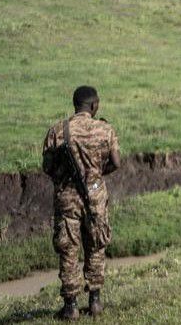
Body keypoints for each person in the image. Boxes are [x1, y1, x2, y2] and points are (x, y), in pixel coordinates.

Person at [41, 86, 120, 319]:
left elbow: (47, 167)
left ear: (75, 104)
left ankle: (71, 306)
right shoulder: (105, 130)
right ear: (94, 106)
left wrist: (64, 177)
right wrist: (95, 176)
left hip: (67, 199)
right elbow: (116, 162)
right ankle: (95, 302)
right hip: (96, 197)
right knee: (96, 245)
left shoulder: (58, 131)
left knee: (68, 249)